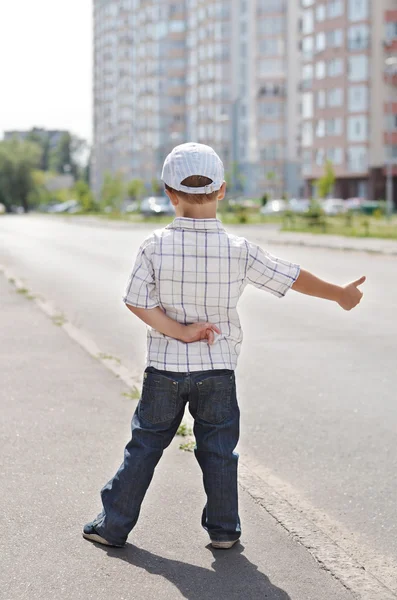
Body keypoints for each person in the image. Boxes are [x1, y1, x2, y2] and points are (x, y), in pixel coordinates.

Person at [83, 143, 365, 550]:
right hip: (218, 370)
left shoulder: (154, 245)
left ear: (168, 193)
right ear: (222, 191)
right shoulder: (239, 250)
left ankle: (112, 526)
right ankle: (224, 530)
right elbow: (291, 276)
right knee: (218, 450)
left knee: (145, 445)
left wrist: (178, 332)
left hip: (164, 369)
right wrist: (338, 292)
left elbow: (135, 300)